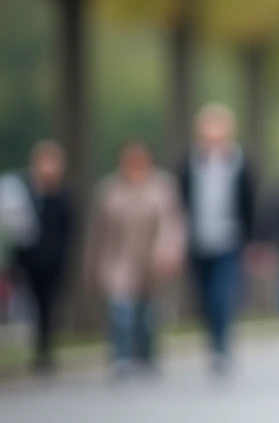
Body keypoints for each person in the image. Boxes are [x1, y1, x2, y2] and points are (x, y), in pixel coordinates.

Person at [86, 141, 185, 377]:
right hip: (118, 259)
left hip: (151, 260)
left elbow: (172, 224)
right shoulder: (109, 189)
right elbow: (97, 231)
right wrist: (92, 264)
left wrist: (168, 251)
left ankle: (146, 354)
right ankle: (121, 357)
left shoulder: (162, 187)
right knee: (121, 309)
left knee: (146, 313)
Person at [178, 103, 255, 374]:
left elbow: (249, 203)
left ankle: (222, 345)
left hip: (229, 239)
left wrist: (253, 240)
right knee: (203, 297)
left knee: (221, 295)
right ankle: (213, 341)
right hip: (198, 240)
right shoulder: (191, 163)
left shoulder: (239, 163)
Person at [1, 141, 74, 374]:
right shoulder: (21, 191)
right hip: (26, 261)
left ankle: (43, 351)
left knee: (46, 306)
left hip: (52, 261)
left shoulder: (63, 195)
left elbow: (68, 231)